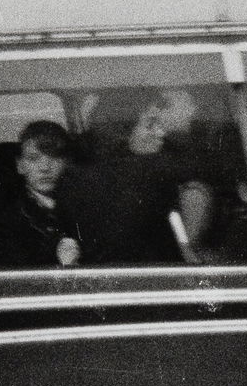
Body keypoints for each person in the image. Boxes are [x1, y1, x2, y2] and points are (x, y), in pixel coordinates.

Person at [62, 88, 216, 264]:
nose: (160, 133)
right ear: (123, 131)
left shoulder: (74, 177)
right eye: (150, 125)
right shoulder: (155, 173)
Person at [0, 121, 85, 268]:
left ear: (67, 163)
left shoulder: (86, 205)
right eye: (33, 158)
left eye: (54, 157)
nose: (45, 167)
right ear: (20, 166)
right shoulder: (8, 219)